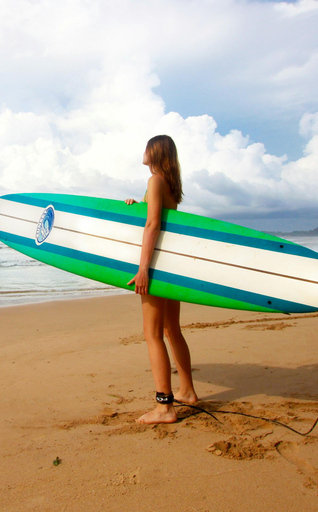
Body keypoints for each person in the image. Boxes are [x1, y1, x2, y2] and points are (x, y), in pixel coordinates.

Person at [125, 135, 198, 424]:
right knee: (172, 330)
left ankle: (165, 407)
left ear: (154, 152)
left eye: (146, 147)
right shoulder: (168, 184)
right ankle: (188, 391)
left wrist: (143, 270)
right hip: (171, 267)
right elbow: (155, 217)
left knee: (153, 334)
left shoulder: (154, 180)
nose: (142, 152)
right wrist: (135, 206)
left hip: (154, 266)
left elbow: (153, 225)